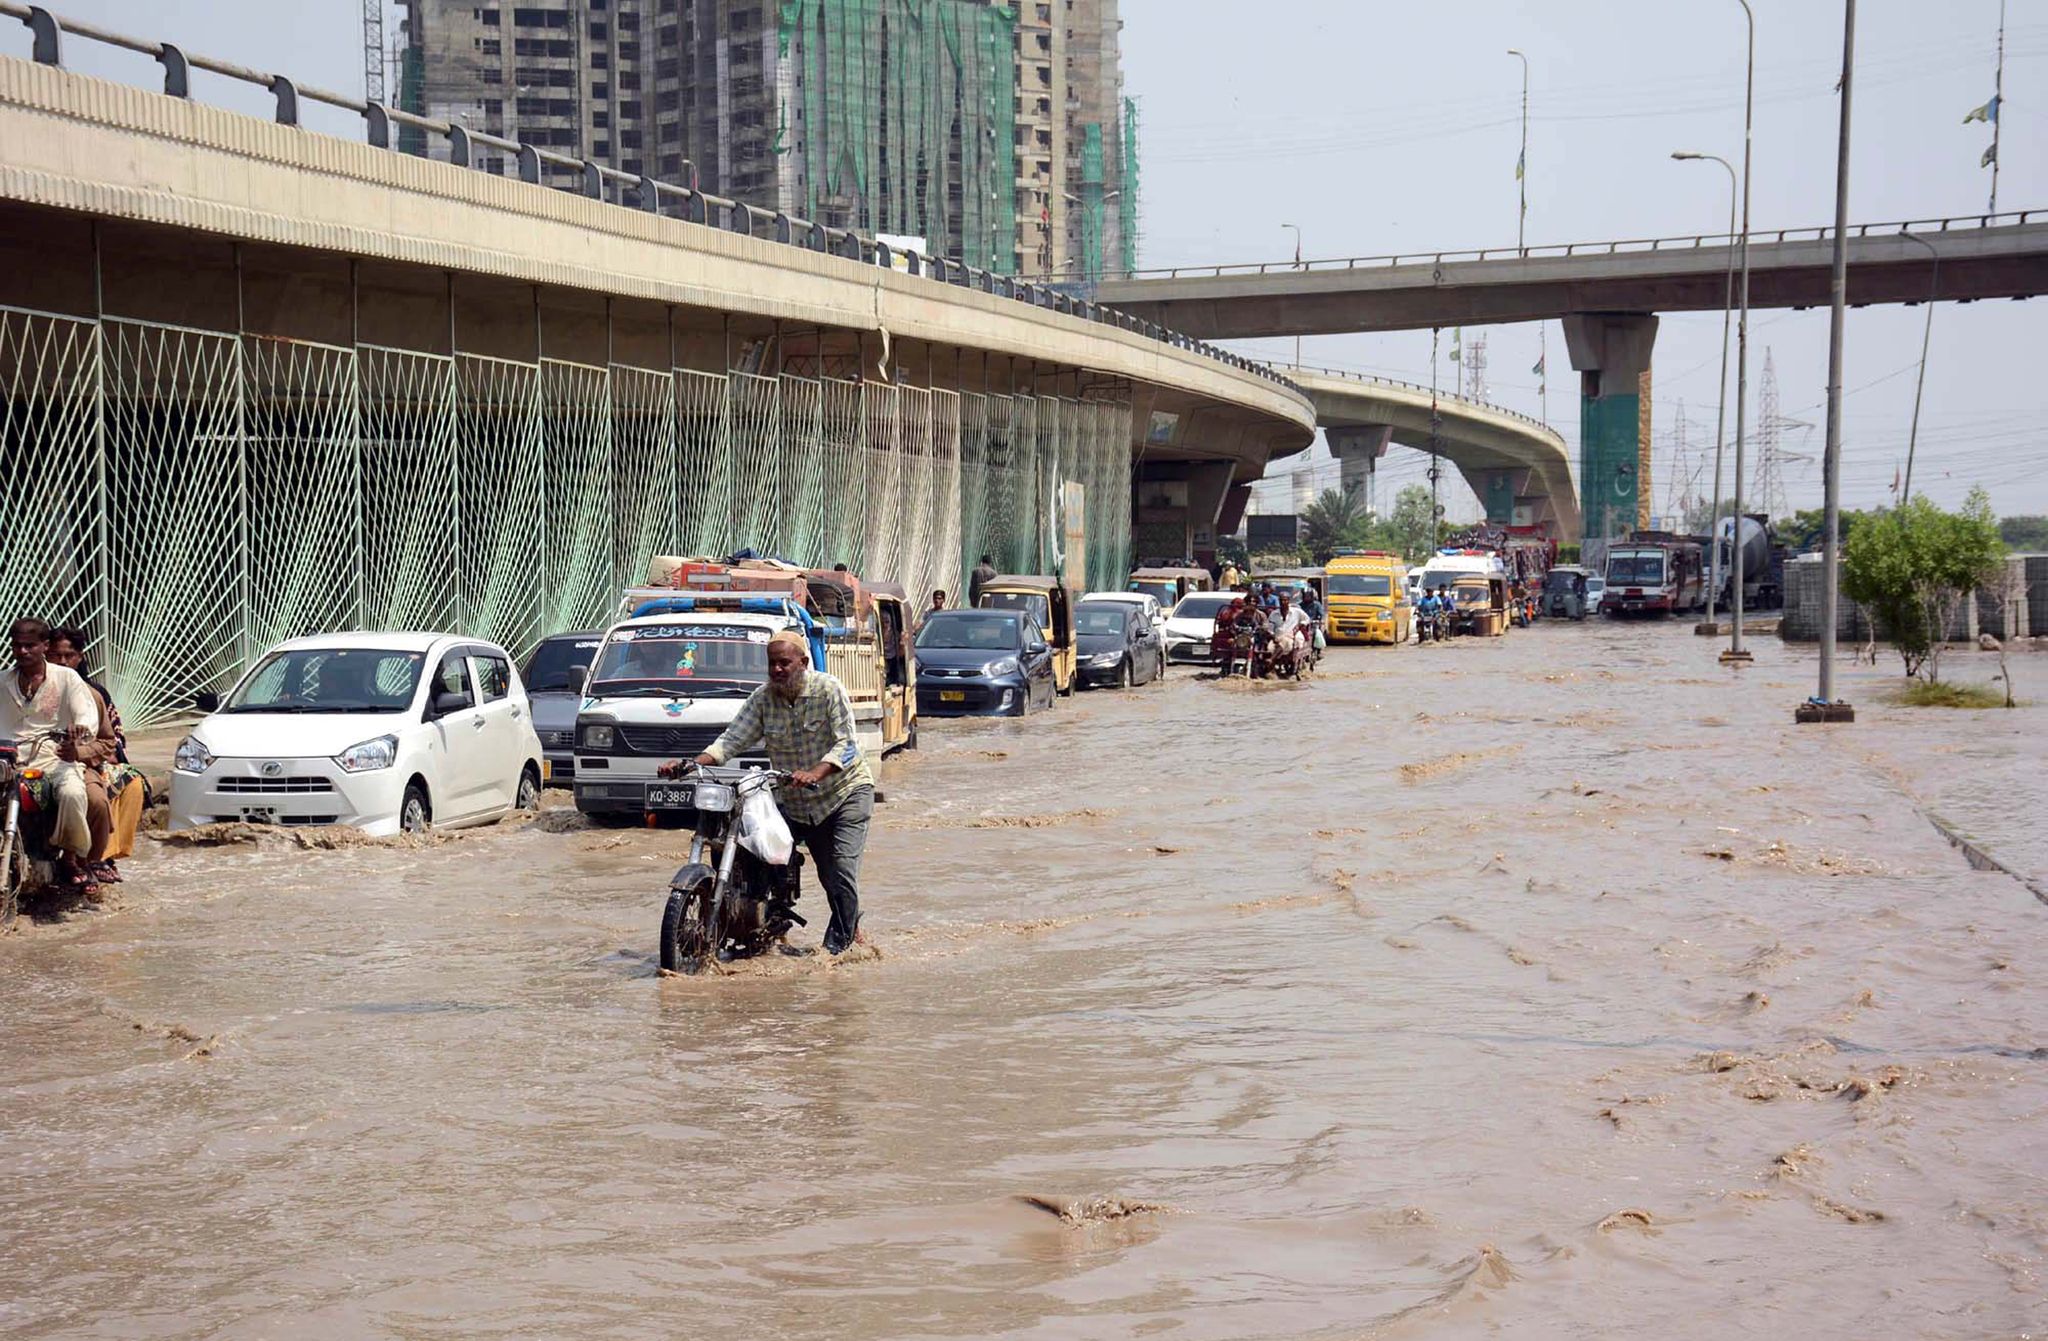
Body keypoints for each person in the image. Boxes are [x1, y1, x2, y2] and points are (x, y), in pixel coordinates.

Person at [661, 630, 873, 955]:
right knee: (751, 844)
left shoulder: (828, 690)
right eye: (772, 664)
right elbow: (731, 740)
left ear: (803, 663)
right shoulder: (762, 699)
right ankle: (759, 917)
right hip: (795, 800)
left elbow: (848, 745)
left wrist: (815, 772)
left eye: (784, 663)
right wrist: (691, 764)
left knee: (838, 871)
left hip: (843, 794)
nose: (777, 670)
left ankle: (839, 950)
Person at [1, 618, 101, 889]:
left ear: (45, 646)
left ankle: (70, 855)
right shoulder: (3, 681)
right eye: (17, 646)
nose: (22, 652)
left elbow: (86, 714)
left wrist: (78, 731)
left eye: (29, 646)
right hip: (8, 758)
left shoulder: (66, 678)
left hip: (54, 755)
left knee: (72, 793)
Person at [47, 628, 132, 884]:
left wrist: (79, 753)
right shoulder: (17, 687)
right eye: (55, 655)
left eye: (68, 655)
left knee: (95, 801)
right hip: (29, 764)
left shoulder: (93, 695)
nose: (62, 662)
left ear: (80, 657)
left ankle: (86, 860)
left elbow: (110, 742)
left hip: (79, 767)